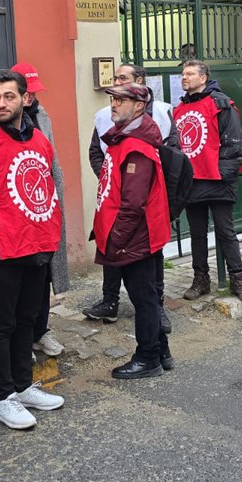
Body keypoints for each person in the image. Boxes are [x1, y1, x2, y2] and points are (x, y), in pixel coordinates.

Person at [0, 71, 66, 430]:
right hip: (1, 250)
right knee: (3, 323)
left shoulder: (38, 139)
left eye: (8, 96)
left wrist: (48, 230)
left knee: (28, 318)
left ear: (25, 99)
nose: (1, 103)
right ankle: (2, 397)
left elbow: (47, 186)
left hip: (36, 244)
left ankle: (23, 385)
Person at [0, 62, 68, 358]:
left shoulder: (42, 118)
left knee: (41, 283)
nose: (28, 99)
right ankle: (19, 343)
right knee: (10, 295)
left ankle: (39, 331)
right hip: (10, 225)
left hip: (41, 216)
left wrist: (54, 207)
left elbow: (51, 163)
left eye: (26, 95)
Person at [84, 62, 176, 328]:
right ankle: (109, 301)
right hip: (117, 203)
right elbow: (96, 152)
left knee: (145, 278)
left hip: (144, 211)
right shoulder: (107, 117)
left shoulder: (160, 113)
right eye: (115, 79)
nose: (118, 84)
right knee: (114, 255)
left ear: (140, 84)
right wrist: (111, 178)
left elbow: (172, 156)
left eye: (124, 80)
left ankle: (156, 320)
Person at [93, 83, 174, 378]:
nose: (113, 104)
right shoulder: (125, 138)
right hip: (138, 234)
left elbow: (133, 204)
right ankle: (161, 351)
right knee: (148, 296)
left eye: (121, 100)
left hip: (136, 237)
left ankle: (148, 357)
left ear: (138, 106)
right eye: (113, 99)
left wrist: (115, 240)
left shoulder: (136, 148)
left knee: (143, 298)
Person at [174, 59, 242, 306]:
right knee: (197, 234)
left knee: (226, 232)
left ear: (204, 77)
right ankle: (201, 280)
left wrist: (223, 175)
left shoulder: (221, 104)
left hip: (218, 181)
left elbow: (234, 144)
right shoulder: (178, 110)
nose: (184, 78)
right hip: (192, 182)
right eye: (182, 74)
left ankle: (238, 281)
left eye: (189, 74)